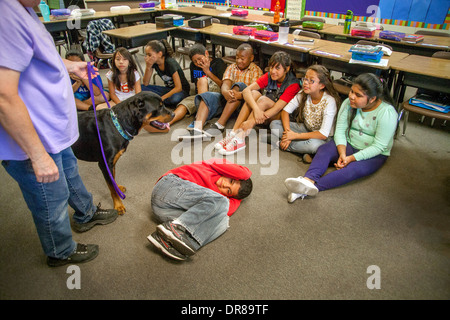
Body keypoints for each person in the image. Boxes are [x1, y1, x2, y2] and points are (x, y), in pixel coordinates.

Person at [0, 0, 118, 267]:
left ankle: (86, 213)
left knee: (69, 173)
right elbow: (3, 96)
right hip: (32, 140)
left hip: (52, 130)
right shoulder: (4, 14)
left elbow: (33, 56)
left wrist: (68, 65)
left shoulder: (23, 9)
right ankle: (60, 250)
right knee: (49, 199)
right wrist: (38, 156)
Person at [284, 73, 398, 203]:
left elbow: (379, 146)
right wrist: (342, 153)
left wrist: (350, 159)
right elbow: (340, 131)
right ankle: (307, 180)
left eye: (358, 95)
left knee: (352, 171)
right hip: (349, 143)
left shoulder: (387, 113)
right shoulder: (348, 103)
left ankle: (306, 189)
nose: (351, 96)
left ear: (372, 99)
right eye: (351, 91)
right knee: (324, 150)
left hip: (374, 154)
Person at [147, 158, 252, 261]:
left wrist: (238, 198)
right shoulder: (213, 167)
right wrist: (245, 176)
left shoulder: (217, 198)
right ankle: (176, 230)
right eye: (231, 181)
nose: (225, 185)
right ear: (231, 174)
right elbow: (243, 174)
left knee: (223, 221)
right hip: (168, 188)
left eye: (228, 191)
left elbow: (228, 210)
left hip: (163, 211)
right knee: (222, 202)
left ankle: (169, 242)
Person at [215, 51, 301, 155]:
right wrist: (256, 110)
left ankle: (240, 138)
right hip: (262, 114)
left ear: (286, 69)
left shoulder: (293, 84)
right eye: (271, 67)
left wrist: (251, 122)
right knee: (254, 93)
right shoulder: (269, 75)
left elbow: (277, 108)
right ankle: (234, 132)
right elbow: (247, 91)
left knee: (263, 100)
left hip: (279, 117)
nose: (273, 71)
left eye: (277, 68)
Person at [178, 43, 263, 140]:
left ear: (251, 58)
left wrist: (238, 95)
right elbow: (225, 84)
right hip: (228, 100)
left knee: (239, 85)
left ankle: (220, 124)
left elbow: (255, 94)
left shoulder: (256, 71)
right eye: (237, 57)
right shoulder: (231, 67)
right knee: (207, 96)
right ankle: (197, 129)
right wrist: (225, 92)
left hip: (244, 104)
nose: (239, 61)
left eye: (242, 59)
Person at [151, 43, 227, 134]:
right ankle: (167, 123)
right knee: (184, 104)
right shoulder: (193, 66)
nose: (198, 62)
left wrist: (207, 72)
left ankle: (199, 119)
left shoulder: (218, 63)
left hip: (215, 94)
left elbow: (223, 85)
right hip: (199, 94)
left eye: (199, 58)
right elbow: (196, 85)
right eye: (195, 61)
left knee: (202, 80)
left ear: (206, 53)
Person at [270, 65, 340, 163]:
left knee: (314, 145)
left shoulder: (329, 101)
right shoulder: (303, 93)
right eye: (305, 79)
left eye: (311, 81)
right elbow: (285, 111)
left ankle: (280, 143)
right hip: (306, 129)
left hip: (323, 138)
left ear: (322, 85)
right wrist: (288, 133)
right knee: (274, 124)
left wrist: (294, 136)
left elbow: (323, 134)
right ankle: (301, 149)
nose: (305, 83)